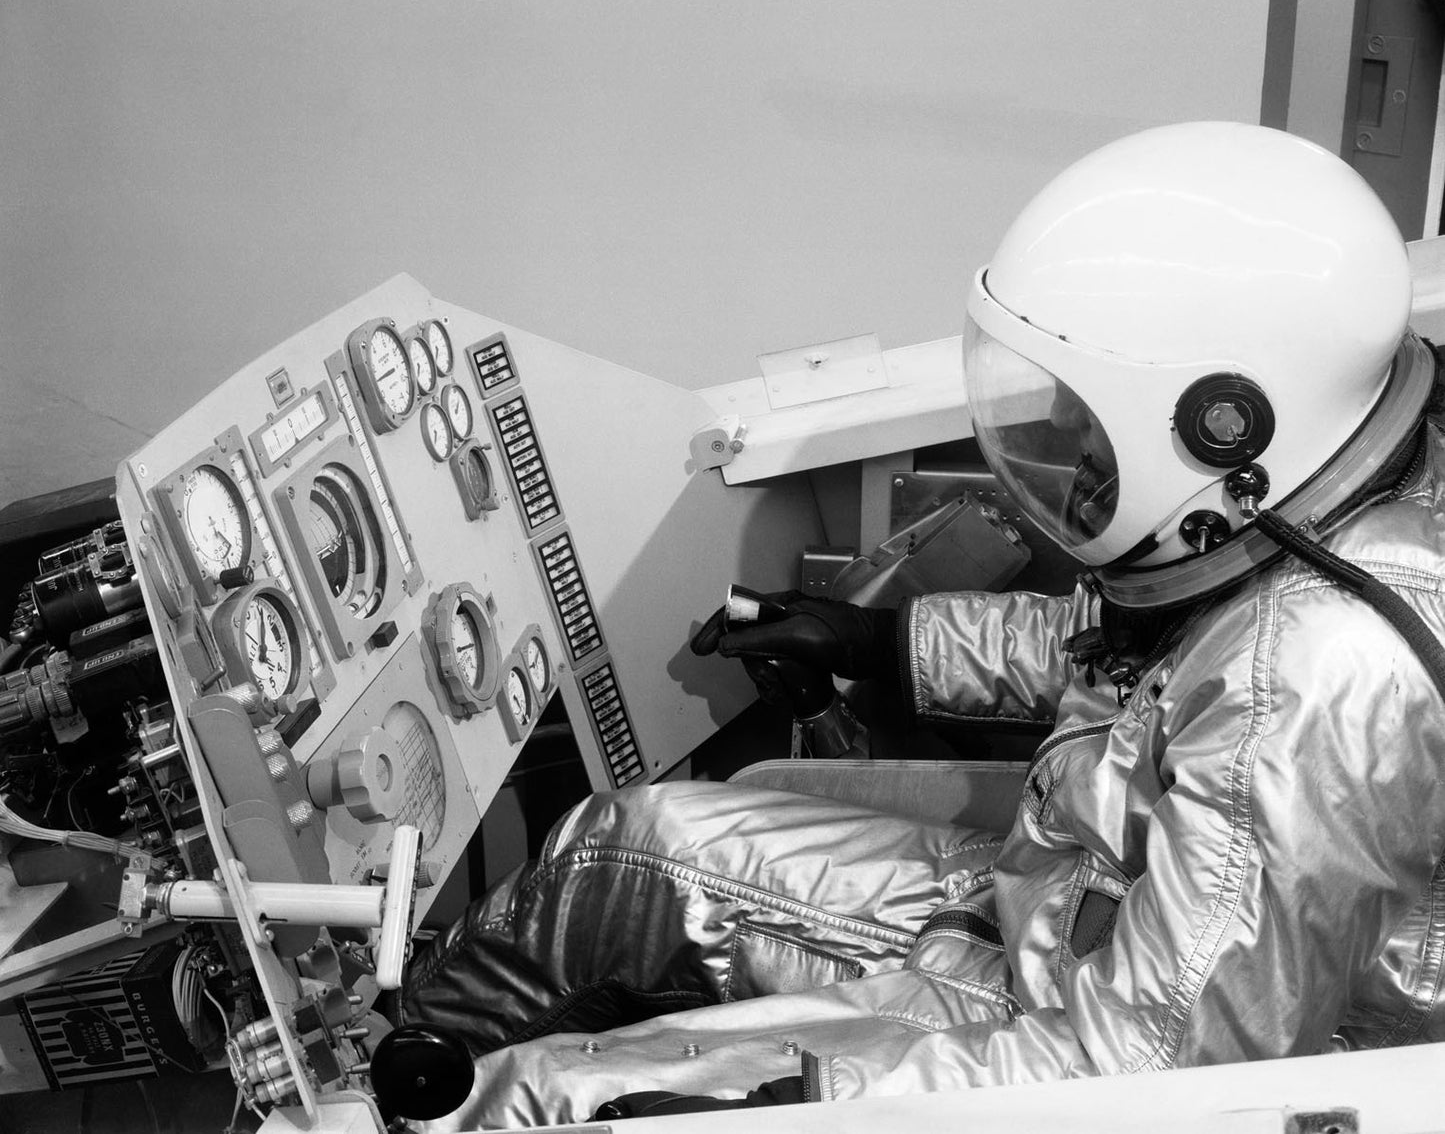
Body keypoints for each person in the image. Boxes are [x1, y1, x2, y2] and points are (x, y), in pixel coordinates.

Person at [402, 121, 1445, 1128]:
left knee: (543, 1101)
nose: (1072, 448)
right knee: (621, 848)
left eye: (1092, 422)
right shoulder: (1312, 503)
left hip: (1074, 1032)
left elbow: (1140, 1076)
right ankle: (380, 1062)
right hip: (1050, 906)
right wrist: (880, 645)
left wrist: (803, 1107)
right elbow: (1133, 658)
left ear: (1226, 428)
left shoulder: (1318, 678)